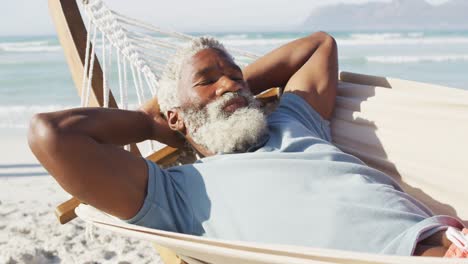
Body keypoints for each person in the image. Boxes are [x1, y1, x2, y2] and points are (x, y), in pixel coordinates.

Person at [28, 32, 466, 257]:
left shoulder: (293, 122)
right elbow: (52, 135)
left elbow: (318, 46)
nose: (230, 82)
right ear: (177, 115)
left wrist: (229, 90)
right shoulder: (174, 194)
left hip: (449, 241)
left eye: (235, 74)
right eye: (208, 78)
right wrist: (154, 121)